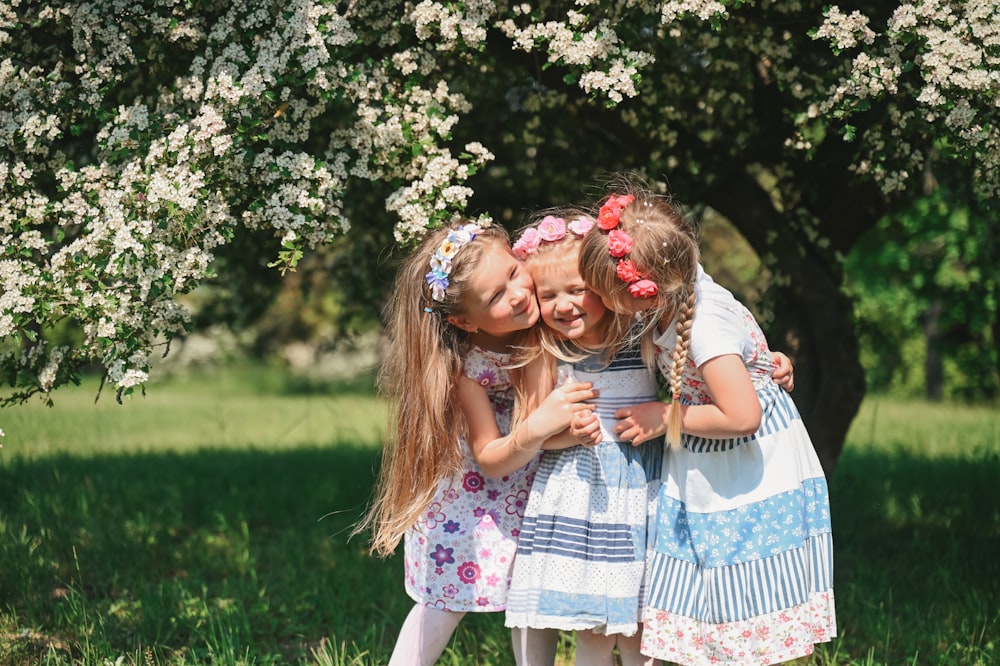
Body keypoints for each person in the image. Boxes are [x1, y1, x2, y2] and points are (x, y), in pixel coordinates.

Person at [578, 183, 837, 665]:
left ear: (645, 288)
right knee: (707, 593)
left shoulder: (703, 325)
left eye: (601, 292)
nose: (594, 301)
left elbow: (742, 415)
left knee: (737, 599)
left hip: (748, 471)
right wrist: (766, 361)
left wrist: (664, 415)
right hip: (715, 462)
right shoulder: (682, 282)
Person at [352, 221, 598, 666]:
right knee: (446, 598)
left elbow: (543, 423)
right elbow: (492, 457)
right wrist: (544, 428)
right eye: (496, 297)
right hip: (469, 499)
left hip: (532, 491)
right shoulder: (464, 366)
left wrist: (564, 432)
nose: (518, 293)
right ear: (464, 320)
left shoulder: (541, 331)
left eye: (512, 273)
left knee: (532, 605)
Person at [501, 211, 664, 666]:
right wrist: (565, 434)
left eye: (576, 290)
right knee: (588, 621)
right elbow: (528, 435)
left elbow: (698, 369)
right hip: (575, 495)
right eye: (548, 295)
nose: (564, 305)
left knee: (641, 620)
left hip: (641, 488)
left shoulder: (640, 333)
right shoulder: (545, 351)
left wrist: (763, 359)